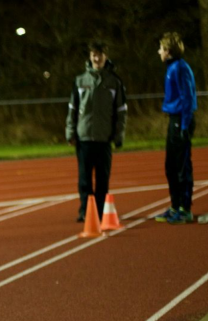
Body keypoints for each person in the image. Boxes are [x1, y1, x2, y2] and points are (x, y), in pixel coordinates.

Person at [66, 40, 128, 222]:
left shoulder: (114, 82)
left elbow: (121, 111)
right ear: (90, 56)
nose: (96, 57)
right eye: (94, 54)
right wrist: (70, 132)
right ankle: (85, 210)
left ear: (105, 56)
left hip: (104, 137)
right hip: (84, 136)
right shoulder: (80, 80)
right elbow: (72, 108)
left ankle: (100, 211)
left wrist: (119, 135)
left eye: (100, 54)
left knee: (102, 179)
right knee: (84, 179)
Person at [154, 32, 197, 224]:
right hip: (174, 119)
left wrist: (185, 125)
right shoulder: (171, 67)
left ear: (168, 51)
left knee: (181, 167)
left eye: (161, 49)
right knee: (170, 166)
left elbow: (187, 97)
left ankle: (185, 209)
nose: (158, 52)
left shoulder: (180, 68)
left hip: (181, 119)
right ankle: (175, 206)